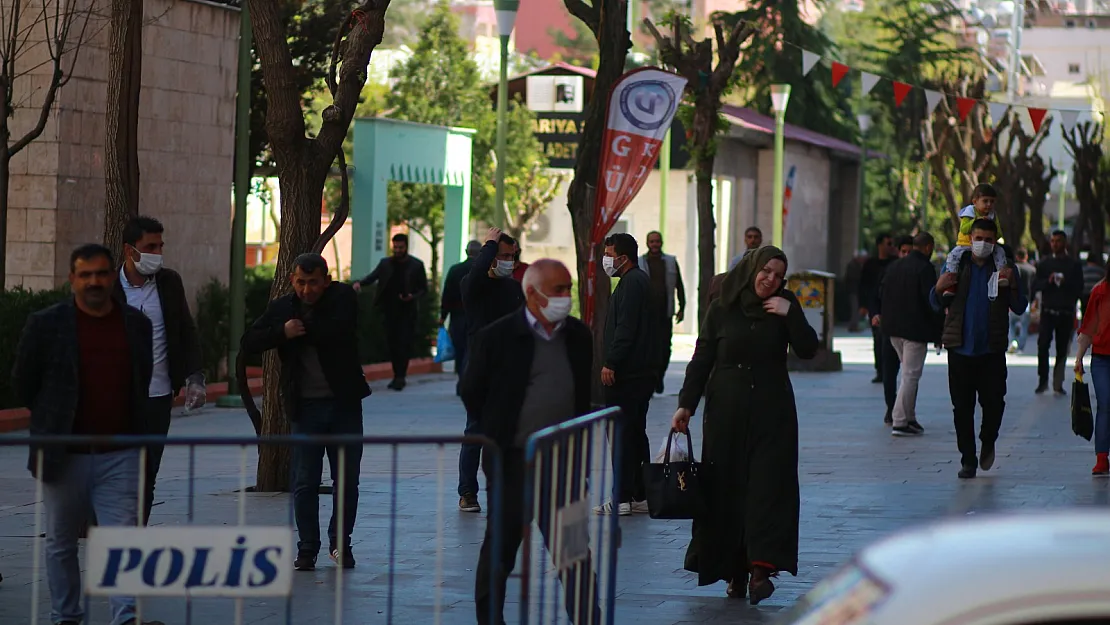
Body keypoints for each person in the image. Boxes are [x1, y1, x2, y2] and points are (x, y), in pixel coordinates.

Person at [13, 244, 163, 625]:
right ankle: (66, 616)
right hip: (65, 453)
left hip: (121, 453)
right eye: (86, 275)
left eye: (101, 274)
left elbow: (139, 380)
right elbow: (23, 384)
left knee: (123, 539)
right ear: (72, 280)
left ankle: (125, 616)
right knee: (61, 542)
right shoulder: (46, 324)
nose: (94, 282)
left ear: (112, 277)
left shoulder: (136, 324)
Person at [672, 246, 818, 604]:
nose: (770, 279)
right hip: (726, 414)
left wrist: (790, 314)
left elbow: (809, 349)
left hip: (773, 414)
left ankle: (760, 569)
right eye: (765, 271)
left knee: (768, 490)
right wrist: (686, 404)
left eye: (778, 275)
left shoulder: (784, 305)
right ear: (753, 268)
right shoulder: (723, 306)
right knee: (727, 490)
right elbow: (703, 355)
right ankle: (733, 572)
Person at [464, 259, 600, 625]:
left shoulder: (577, 335)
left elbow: (581, 393)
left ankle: (588, 619)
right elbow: (471, 390)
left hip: (563, 464)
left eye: (568, 288)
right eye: (558, 289)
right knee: (501, 549)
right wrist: (499, 428)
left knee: (573, 552)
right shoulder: (497, 337)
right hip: (512, 463)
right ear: (531, 293)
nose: (565, 297)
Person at [242, 254, 370, 570]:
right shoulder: (282, 309)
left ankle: (341, 544)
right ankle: (307, 548)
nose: (307, 289)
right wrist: (282, 333)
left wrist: (301, 328)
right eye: (301, 282)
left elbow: (336, 330)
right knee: (304, 481)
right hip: (305, 408)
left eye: (314, 282)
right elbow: (250, 341)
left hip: (343, 406)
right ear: (291, 280)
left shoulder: (341, 297)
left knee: (347, 481)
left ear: (326, 280)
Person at [112, 216, 205, 526]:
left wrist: (194, 377)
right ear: (129, 250)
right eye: (149, 246)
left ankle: (135, 534)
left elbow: (185, 331)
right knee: (118, 473)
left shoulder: (169, 282)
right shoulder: (110, 289)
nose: (157, 252)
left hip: (158, 397)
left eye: (160, 246)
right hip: (118, 399)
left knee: (147, 473)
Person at [930, 219, 1028, 479]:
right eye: (978, 238)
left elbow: (1020, 307)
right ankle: (968, 460)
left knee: (994, 402)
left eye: (988, 239)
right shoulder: (957, 264)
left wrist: (1014, 283)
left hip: (991, 350)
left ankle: (988, 439)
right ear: (970, 238)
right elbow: (936, 302)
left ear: (995, 242)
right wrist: (937, 288)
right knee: (962, 408)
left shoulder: (1004, 267)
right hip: (960, 349)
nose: (982, 243)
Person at [458, 227, 525, 513]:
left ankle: (504, 488)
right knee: (476, 430)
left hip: (509, 366)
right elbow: (475, 276)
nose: (508, 261)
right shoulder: (473, 285)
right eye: (503, 256)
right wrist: (488, 245)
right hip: (479, 366)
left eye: (512, 256)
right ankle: (467, 492)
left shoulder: (512, 288)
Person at [596, 233, 660, 516]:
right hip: (639, 373)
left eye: (609, 253)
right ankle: (638, 493)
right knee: (634, 433)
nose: (606, 260)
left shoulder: (632, 283)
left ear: (623, 257)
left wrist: (611, 362)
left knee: (621, 434)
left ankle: (621, 496)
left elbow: (626, 329)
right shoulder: (635, 282)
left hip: (628, 374)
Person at [877, 233, 940, 435]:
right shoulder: (925, 268)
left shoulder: (895, 266)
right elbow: (931, 301)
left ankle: (909, 417)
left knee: (908, 373)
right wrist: (939, 331)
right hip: (915, 329)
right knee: (911, 375)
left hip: (893, 329)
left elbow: (882, 294)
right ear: (928, 247)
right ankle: (900, 420)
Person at [353, 233, 428, 391]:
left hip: (407, 312)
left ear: (406, 247)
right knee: (393, 344)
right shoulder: (385, 263)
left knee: (404, 344)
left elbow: (423, 289)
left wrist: (411, 297)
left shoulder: (416, 265)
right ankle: (396, 375)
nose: (398, 250)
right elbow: (373, 277)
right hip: (388, 310)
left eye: (400, 247)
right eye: (395, 247)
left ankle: (400, 377)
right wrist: (359, 283)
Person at [1033, 230, 1084, 395]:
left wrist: (1065, 282)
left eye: (1058, 241)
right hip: (1047, 311)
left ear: (1065, 243)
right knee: (1042, 346)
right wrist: (1048, 282)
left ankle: (1058, 382)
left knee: (1062, 349)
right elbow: (1035, 285)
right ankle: (1042, 381)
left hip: (1066, 312)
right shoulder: (1044, 264)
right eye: (1053, 241)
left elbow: (1079, 288)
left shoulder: (1074, 265)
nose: (1055, 244)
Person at [941, 183, 1010, 299]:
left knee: (1000, 252)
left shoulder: (993, 215)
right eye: (985, 201)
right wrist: (977, 221)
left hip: (990, 246)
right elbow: (964, 228)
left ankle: (1001, 274)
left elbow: (998, 233)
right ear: (975, 201)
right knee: (953, 257)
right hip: (965, 244)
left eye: (992, 202)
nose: (989, 205)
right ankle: (951, 282)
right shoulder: (969, 212)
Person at [639, 230, 686, 394]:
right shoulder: (640, 263)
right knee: (649, 349)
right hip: (646, 314)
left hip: (665, 312)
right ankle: (651, 380)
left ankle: (659, 377)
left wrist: (682, 306)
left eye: (657, 241)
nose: (655, 244)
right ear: (647, 243)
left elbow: (679, 285)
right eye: (652, 241)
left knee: (665, 348)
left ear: (661, 243)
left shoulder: (671, 262)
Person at [1074, 261, 1110, 476]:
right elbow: (1088, 327)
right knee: (1105, 404)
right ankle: (1101, 457)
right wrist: (1079, 358)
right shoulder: (1099, 291)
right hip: (1102, 359)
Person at [441, 240, 482, 392]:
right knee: (473, 350)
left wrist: (442, 316)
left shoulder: (455, 270)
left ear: (466, 251)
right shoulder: (484, 270)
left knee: (460, 349)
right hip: (478, 317)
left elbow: (447, 295)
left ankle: (461, 379)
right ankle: (469, 380)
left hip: (457, 316)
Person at [860, 233, 897, 383]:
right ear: (880, 245)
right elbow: (863, 285)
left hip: (892, 307)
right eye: (888, 243)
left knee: (889, 340)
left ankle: (889, 369)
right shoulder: (870, 264)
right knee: (878, 339)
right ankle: (880, 370)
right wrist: (863, 305)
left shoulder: (895, 263)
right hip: (875, 307)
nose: (891, 247)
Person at [1009, 248, 1036, 353]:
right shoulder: (1032, 270)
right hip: (1027, 301)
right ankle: (1020, 347)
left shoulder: (1013, 268)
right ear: (1026, 256)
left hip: (1013, 299)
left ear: (1017, 256)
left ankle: (1013, 343)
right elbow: (1035, 287)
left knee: (1011, 324)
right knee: (1024, 326)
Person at [845, 250, 867, 333]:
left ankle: (854, 325)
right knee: (855, 308)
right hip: (853, 290)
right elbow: (855, 278)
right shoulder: (853, 266)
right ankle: (853, 325)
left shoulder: (855, 265)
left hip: (855, 290)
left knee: (856, 308)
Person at [1081, 253, 1105, 317]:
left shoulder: (1082, 270)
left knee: (1085, 314)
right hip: (1096, 296)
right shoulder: (1101, 271)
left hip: (1084, 296)